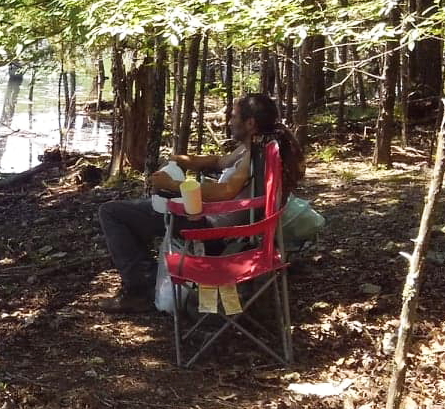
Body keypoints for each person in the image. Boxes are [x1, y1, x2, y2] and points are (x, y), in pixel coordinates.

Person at [96, 93, 304, 313]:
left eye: (234, 116)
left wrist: (175, 184)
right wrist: (188, 161)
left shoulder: (255, 154)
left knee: (112, 212)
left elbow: (225, 191)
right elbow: (220, 161)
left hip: (209, 231)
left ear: (250, 123)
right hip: (215, 223)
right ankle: (147, 278)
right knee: (140, 210)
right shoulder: (254, 145)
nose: (229, 121)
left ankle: (140, 288)